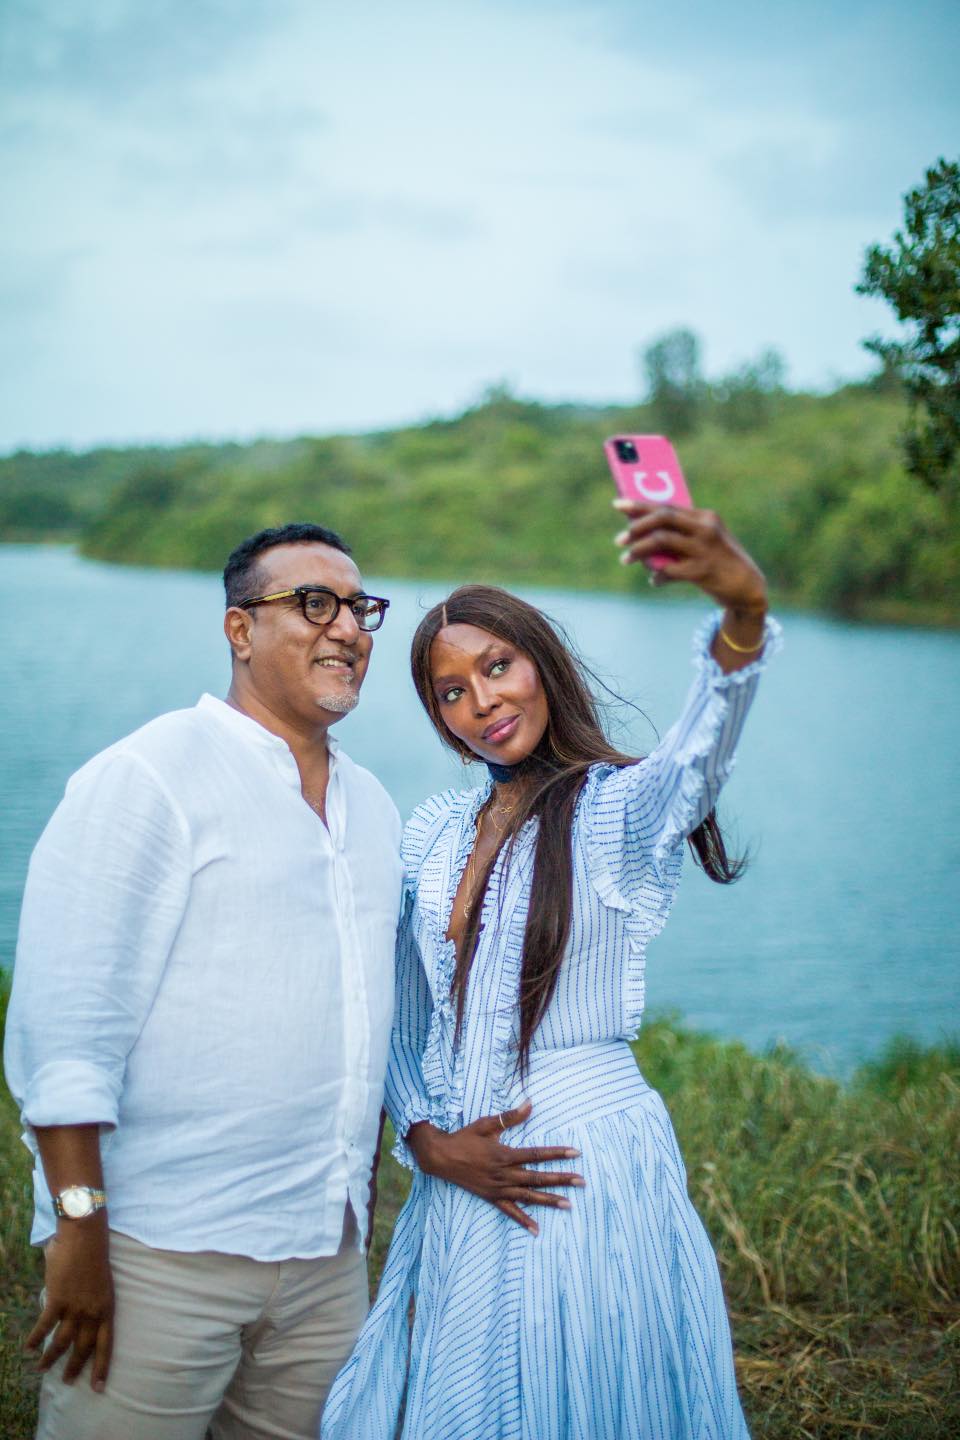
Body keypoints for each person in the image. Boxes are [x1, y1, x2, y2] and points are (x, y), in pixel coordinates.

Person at [321, 498, 782, 1440]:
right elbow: (410, 1017)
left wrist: (742, 619)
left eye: (497, 667)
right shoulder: (435, 834)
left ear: (543, 667)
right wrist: (422, 1136)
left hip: (579, 1171)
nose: (483, 703)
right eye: (452, 691)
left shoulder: (612, 813)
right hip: (461, 1175)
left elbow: (698, 758)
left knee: (581, 1393)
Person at [3, 523, 403, 1440]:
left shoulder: (372, 807)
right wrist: (80, 1231)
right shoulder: (149, 777)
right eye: (313, 604)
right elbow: (66, 1030)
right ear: (238, 631)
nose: (346, 627)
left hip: (325, 1260)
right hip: (161, 1252)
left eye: (359, 608)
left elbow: (361, 1021)